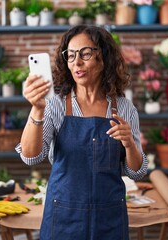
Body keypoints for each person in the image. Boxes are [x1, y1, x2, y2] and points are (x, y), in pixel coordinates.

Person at [16, 25, 148, 240]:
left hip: (109, 219)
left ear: (103, 57)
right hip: (63, 218)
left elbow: (136, 172)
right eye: (71, 55)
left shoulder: (124, 108)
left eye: (86, 54)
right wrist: (37, 108)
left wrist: (130, 144)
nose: (77, 62)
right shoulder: (54, 105)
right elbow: (31, 157)